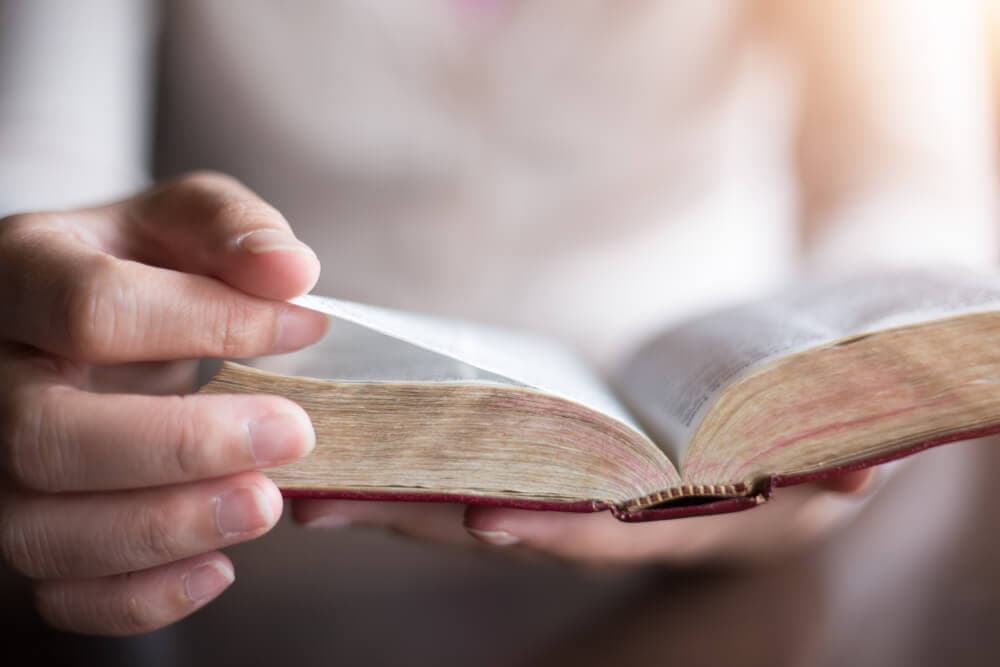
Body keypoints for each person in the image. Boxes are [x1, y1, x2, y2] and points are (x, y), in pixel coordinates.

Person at [0, 0, 996, 639]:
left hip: (739, 555)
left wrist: (830, 423)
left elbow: (911, 185)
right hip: (265, 536)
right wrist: (47, 318)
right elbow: (41, 162)